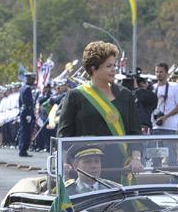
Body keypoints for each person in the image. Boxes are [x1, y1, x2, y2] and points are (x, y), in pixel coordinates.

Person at [57, 41, 143, 175]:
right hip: (85, 168)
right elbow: (64, 135)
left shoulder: (126, 95)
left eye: (114, 65)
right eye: (108, 66)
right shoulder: (75, 95)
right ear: (93, 69)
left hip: (120, 167)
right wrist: (63, 163)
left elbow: (135, 132)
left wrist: (136, 159)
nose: (114, 69)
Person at [151, 62, 178, 165]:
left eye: (161, 72)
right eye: (156, 72)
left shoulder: (174, 86)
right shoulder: (152, 88)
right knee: (156, 159)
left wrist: (166, 117)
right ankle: (157, 178)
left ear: (166, 73)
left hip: (169, 126)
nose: (158, 74)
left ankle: (173, 179)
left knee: (171, 158)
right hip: (155, 126)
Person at [18, 72, 36, 157]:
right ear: (29, 79)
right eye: (32, 79)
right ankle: (23, 150)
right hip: (27, 113)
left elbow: (20, 102)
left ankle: (22, 149)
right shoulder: (27, 88)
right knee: (26, 132)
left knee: (23, 131)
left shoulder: (22, 88)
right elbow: (28, 102)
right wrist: (29, 113)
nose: (33, 81)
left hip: (23, 112)